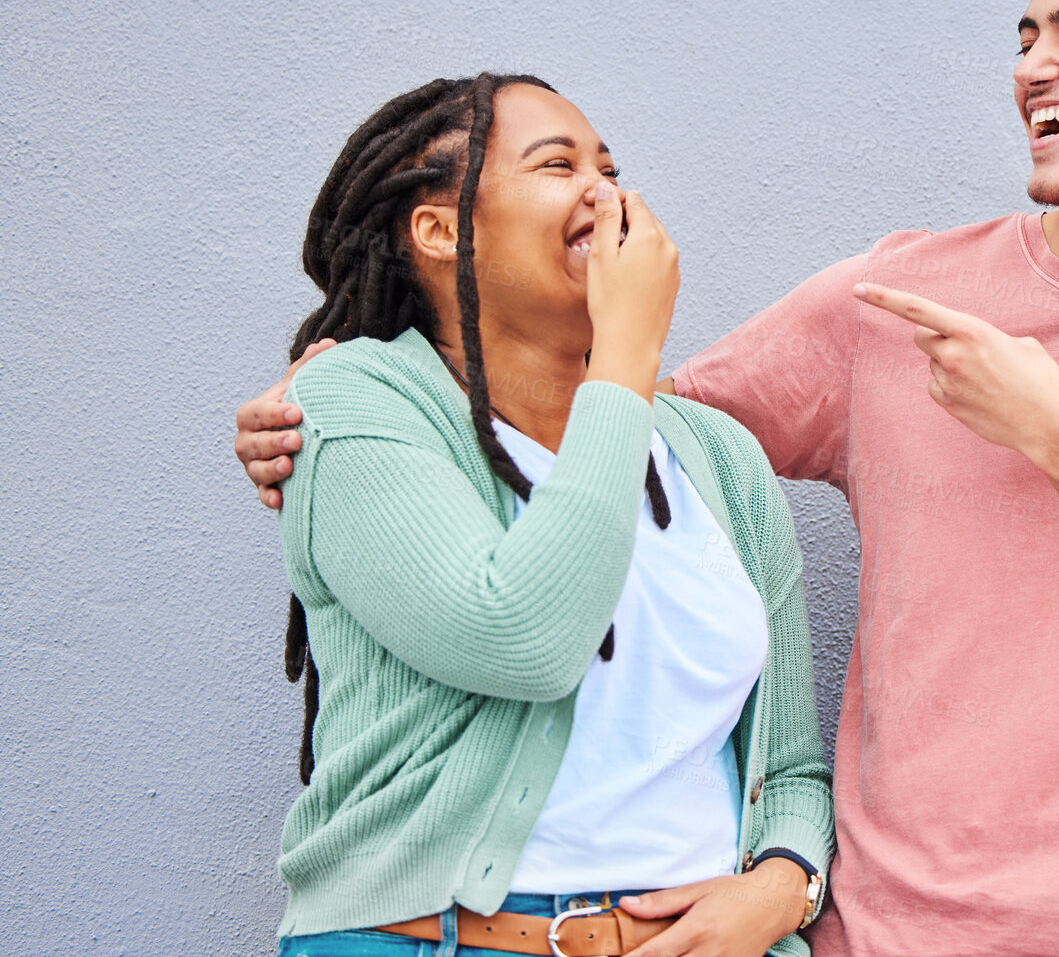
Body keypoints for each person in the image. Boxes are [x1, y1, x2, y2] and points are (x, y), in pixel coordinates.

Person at [241, 0, 1059, 955]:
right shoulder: (888, 306)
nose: (1030, 65)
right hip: (886, 940)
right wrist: (360, 392)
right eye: (1024, 35)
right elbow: (618, 454)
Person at [259, 74, 832, 957]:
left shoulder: (718, 459)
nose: (604, 191)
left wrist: (784, 884)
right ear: (441, 231)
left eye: (610, 166)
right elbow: (521, 636)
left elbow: (788, 763)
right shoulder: (356, 402)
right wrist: (627, 351)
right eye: (557, 164)